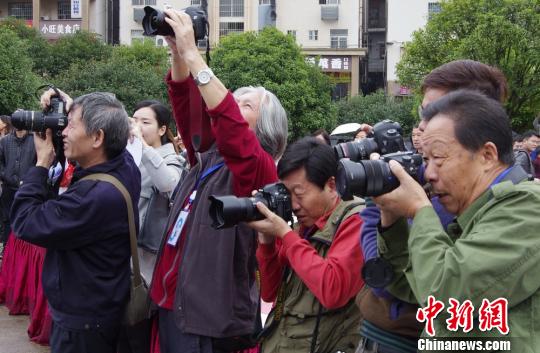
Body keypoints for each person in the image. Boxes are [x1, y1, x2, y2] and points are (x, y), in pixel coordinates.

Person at [148, 9, 288, 353]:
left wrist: (195, 54)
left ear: (265, 125)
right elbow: (185, 100)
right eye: (234, 100)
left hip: (210, 320)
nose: (233, 106)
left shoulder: (259, 168)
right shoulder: (208, 156)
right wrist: (178, 51)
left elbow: (226, 120)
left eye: (246, 105)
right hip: (174, 303)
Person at [355, 59, 510, 353]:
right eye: (423, 113)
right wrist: (388, 210)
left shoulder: (520, 205)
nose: (424, 125)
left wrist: (418, 209)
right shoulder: (447, 186)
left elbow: (445, 294)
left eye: (437, 113)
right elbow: (400, 282)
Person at [374, 90, 540, 351]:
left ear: (487, 155)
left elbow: (444, 297)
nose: (427, 173)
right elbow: (410, 285)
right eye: (425, 160)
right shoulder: (474, 214)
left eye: (438, 158)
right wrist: (392, 219)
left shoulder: (528, 207)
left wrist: (420, 210)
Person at [10, 90, 141, 353]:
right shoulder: (124, 167)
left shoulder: (92, 198)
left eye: (70, 125)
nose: (64, 132)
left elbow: (24, 221)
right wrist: (70, 106)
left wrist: (42, 164)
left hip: (83, 326)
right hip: (103, 310)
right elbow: (108, 137)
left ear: (97, 137)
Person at [247, 137, 365, 353]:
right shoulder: (302, 227)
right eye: (287, 194)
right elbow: (269, 293)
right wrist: (266, 242)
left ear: (331, 185)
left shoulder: (355, 220)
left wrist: (285, 233)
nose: (293, 205)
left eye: (299, 194)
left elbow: (333, 290)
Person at [131, 100, 186, 281]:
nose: (138, 127)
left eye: (145, 122)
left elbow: (168, 184)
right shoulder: (128, 155)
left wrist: (143, 146)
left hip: (146, 253)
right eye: (135, 120)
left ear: (162, 130)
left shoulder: (173, 159)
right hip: (121, 244)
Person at [0, 126, 36, 251]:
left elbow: (38, 162)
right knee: (7, 219)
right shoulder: (5, 141)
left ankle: (21, 253)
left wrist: (30, 178)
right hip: (8, 188)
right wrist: (5, 175)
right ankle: (6, 249)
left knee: (25, 220)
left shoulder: (34, 140)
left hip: (27, 189)